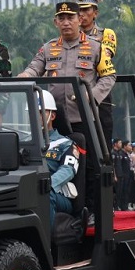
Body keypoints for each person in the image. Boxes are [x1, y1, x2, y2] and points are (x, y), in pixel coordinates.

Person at [18, 1, 116, 215]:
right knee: (53, 163)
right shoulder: (48, 48)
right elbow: (34, 69)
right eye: (61, 19)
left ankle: (91, 212)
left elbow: (109, 76)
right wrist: (24, 76)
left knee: (90, 167)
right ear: (55, 22)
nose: (66, 23)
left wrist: (93, 98)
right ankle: (61, 208)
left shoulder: (95, 47)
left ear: (79, 20)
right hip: (55, 120)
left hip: (85, 117)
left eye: (70, 18)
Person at [69, 0, 117, 142]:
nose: (81, 14)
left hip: (98, 94)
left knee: (102, 141)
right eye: (77, 10)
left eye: (85, 10)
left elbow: (103, 57)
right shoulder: (65, 38)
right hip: (72, 95)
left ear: (95, 13)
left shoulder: (105, 34)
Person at [39, 90, 79, 228]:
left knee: (44, 196)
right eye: (31, 113)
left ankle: (45, 246)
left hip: (56, 193)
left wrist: (46, 185)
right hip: (30, 188)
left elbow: (68, 169)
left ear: (53, 115)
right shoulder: (22, 142)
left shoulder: (65, 143)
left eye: (40, 112)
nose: (35, 117)